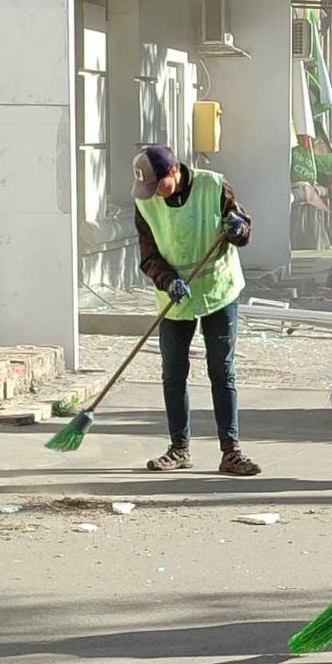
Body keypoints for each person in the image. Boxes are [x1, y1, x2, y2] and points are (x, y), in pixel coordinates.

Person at [133, 146, 260, 476]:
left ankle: (231, 452)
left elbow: (243, 227)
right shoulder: (145, 202)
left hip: (218, 290)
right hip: (176, 296)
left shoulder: (214, 186)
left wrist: (238, 229)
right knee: (173, 373)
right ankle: (179, 449)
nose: (152, 195)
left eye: (157, 185)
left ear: (173, 171)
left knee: (221, 369)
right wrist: (168, 280)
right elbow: (148, 257)